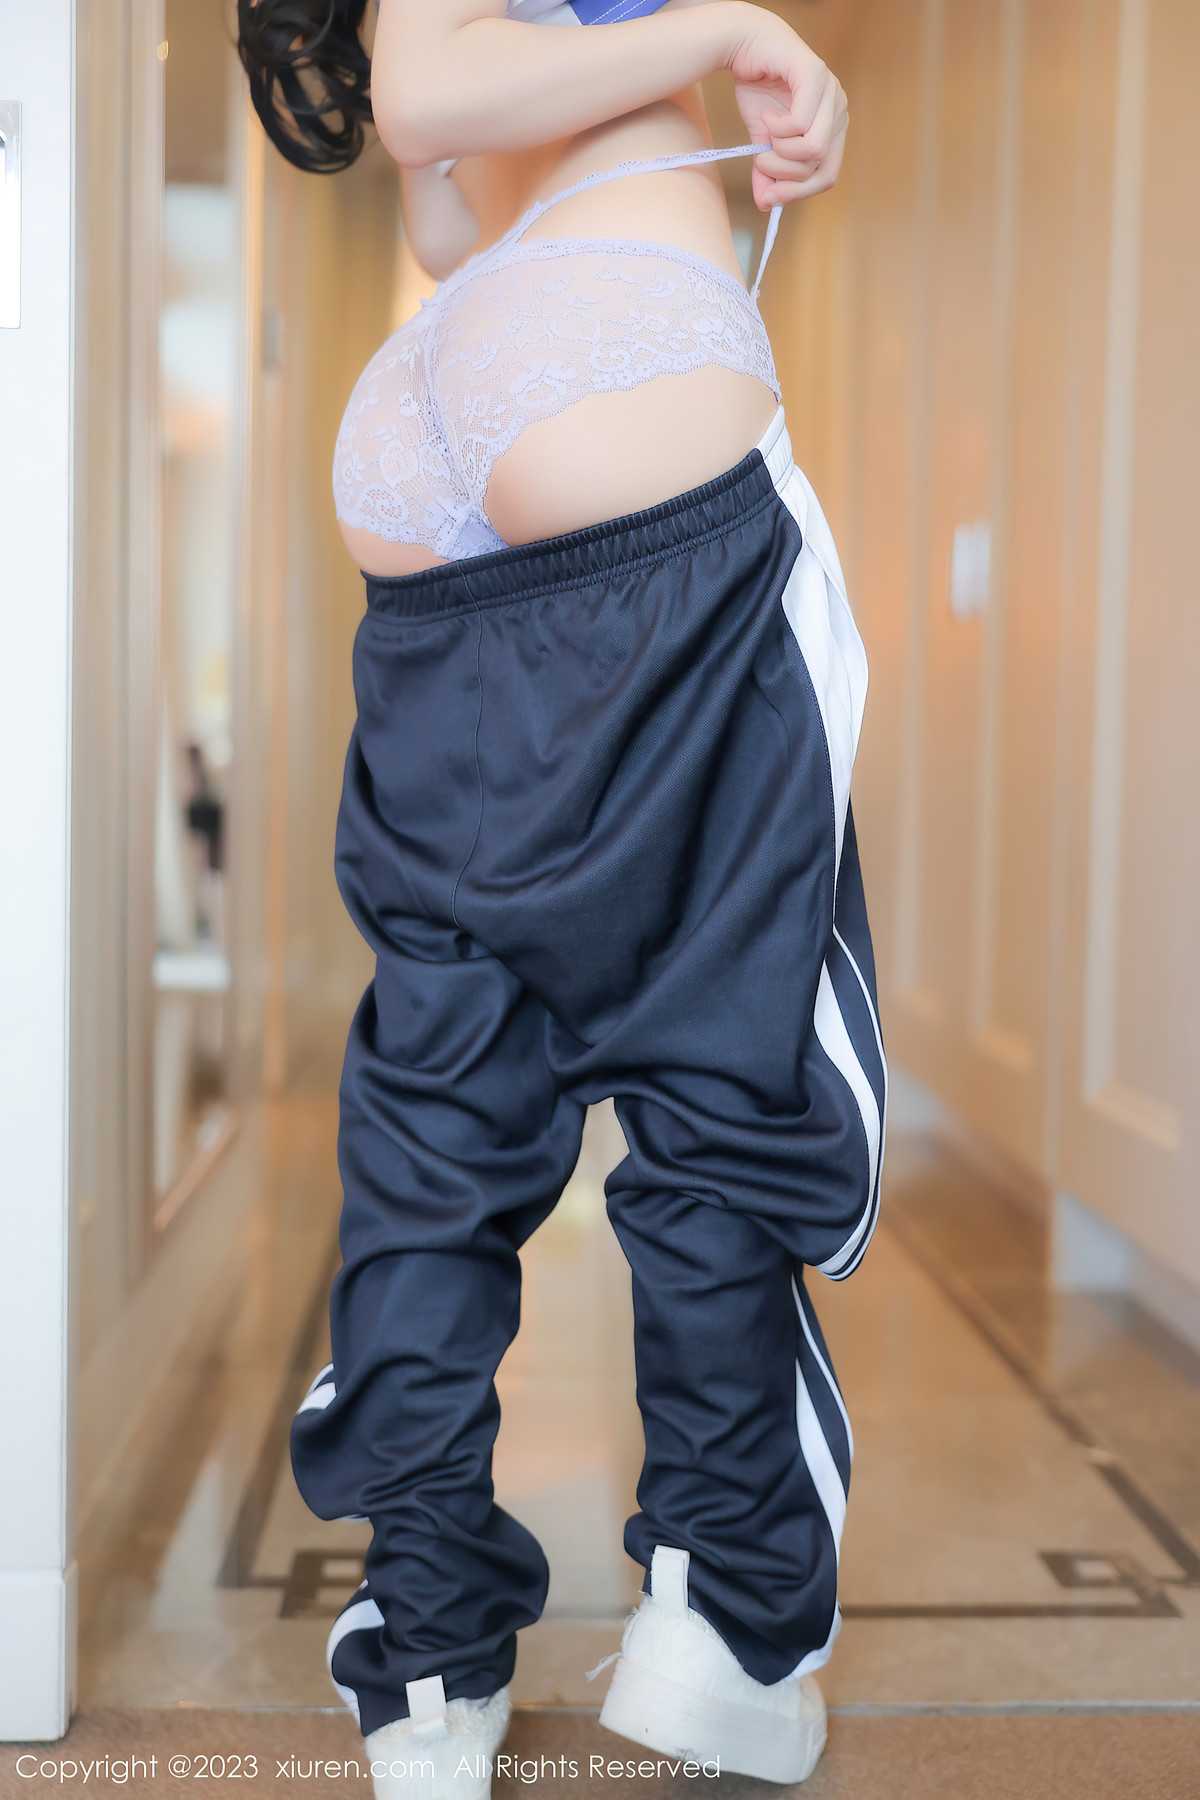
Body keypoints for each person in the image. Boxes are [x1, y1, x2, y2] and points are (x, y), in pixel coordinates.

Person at [237, 4, 885, 1796]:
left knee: (438, 1129)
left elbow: (446, 199)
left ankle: (432, 1665)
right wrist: (733, 31)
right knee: (721, 1070)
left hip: (444, 435)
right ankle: (726, 1639)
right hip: (605, 373)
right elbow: (428, 96)